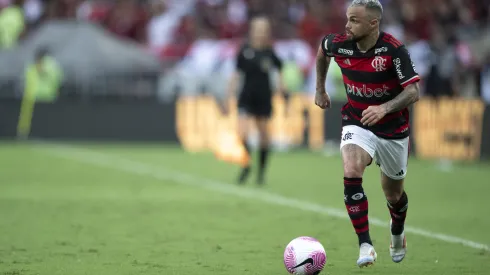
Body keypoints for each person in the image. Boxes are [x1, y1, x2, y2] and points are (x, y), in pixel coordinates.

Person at [314, 0, 420, 268]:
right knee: (351, 169)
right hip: (357, 120)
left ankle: (397, 232)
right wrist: (320, 88)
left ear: (373, 23)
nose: (347, 26)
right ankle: (366, 244)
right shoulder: (339, 43)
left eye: (354, 20)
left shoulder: (394, 51)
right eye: (348, 19)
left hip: (393, 130)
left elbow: (412, 92)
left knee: (393, 195)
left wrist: (384, 108)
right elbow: (322, 52)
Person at [224, 16, 287, 185]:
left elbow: (279, 69)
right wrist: (229, 93)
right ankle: (247, 164)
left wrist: (282, 87)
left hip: (264, 97)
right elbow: (236, 74)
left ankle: (261, 173)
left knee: (264, 136)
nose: (260, 32)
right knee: (242, 133)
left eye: (263, 29)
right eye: (257, 28)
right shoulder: (244, 50)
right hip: (246, 96)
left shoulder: (269, 52)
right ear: (252, 30)